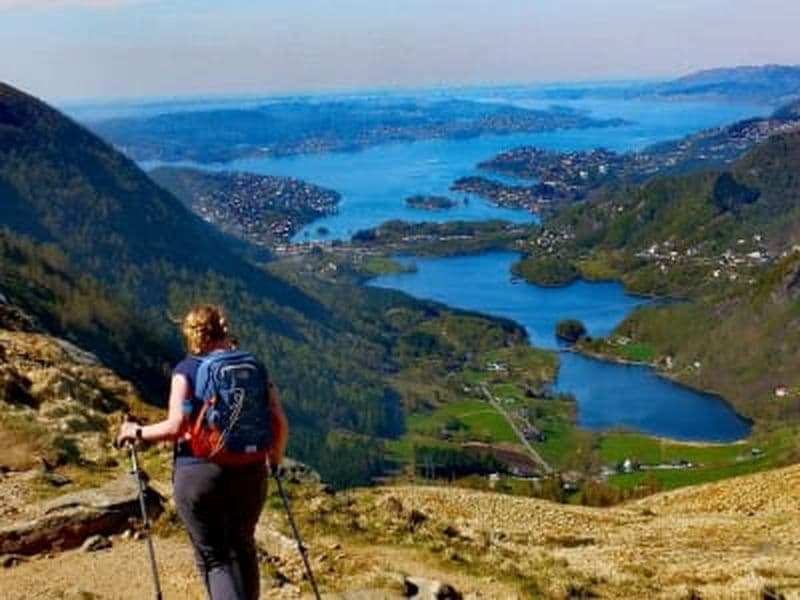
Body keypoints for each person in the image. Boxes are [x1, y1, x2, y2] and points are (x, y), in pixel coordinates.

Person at [118, 304, 288, 600]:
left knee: (215, 558)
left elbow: (174, 427)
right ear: (224, 330)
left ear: (192, 335)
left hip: (199, 472)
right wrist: (274, 459)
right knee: (243, 546)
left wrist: (136, 432)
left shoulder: (187, 370)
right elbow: (279, 420)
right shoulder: (253, 367)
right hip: (250, 470)